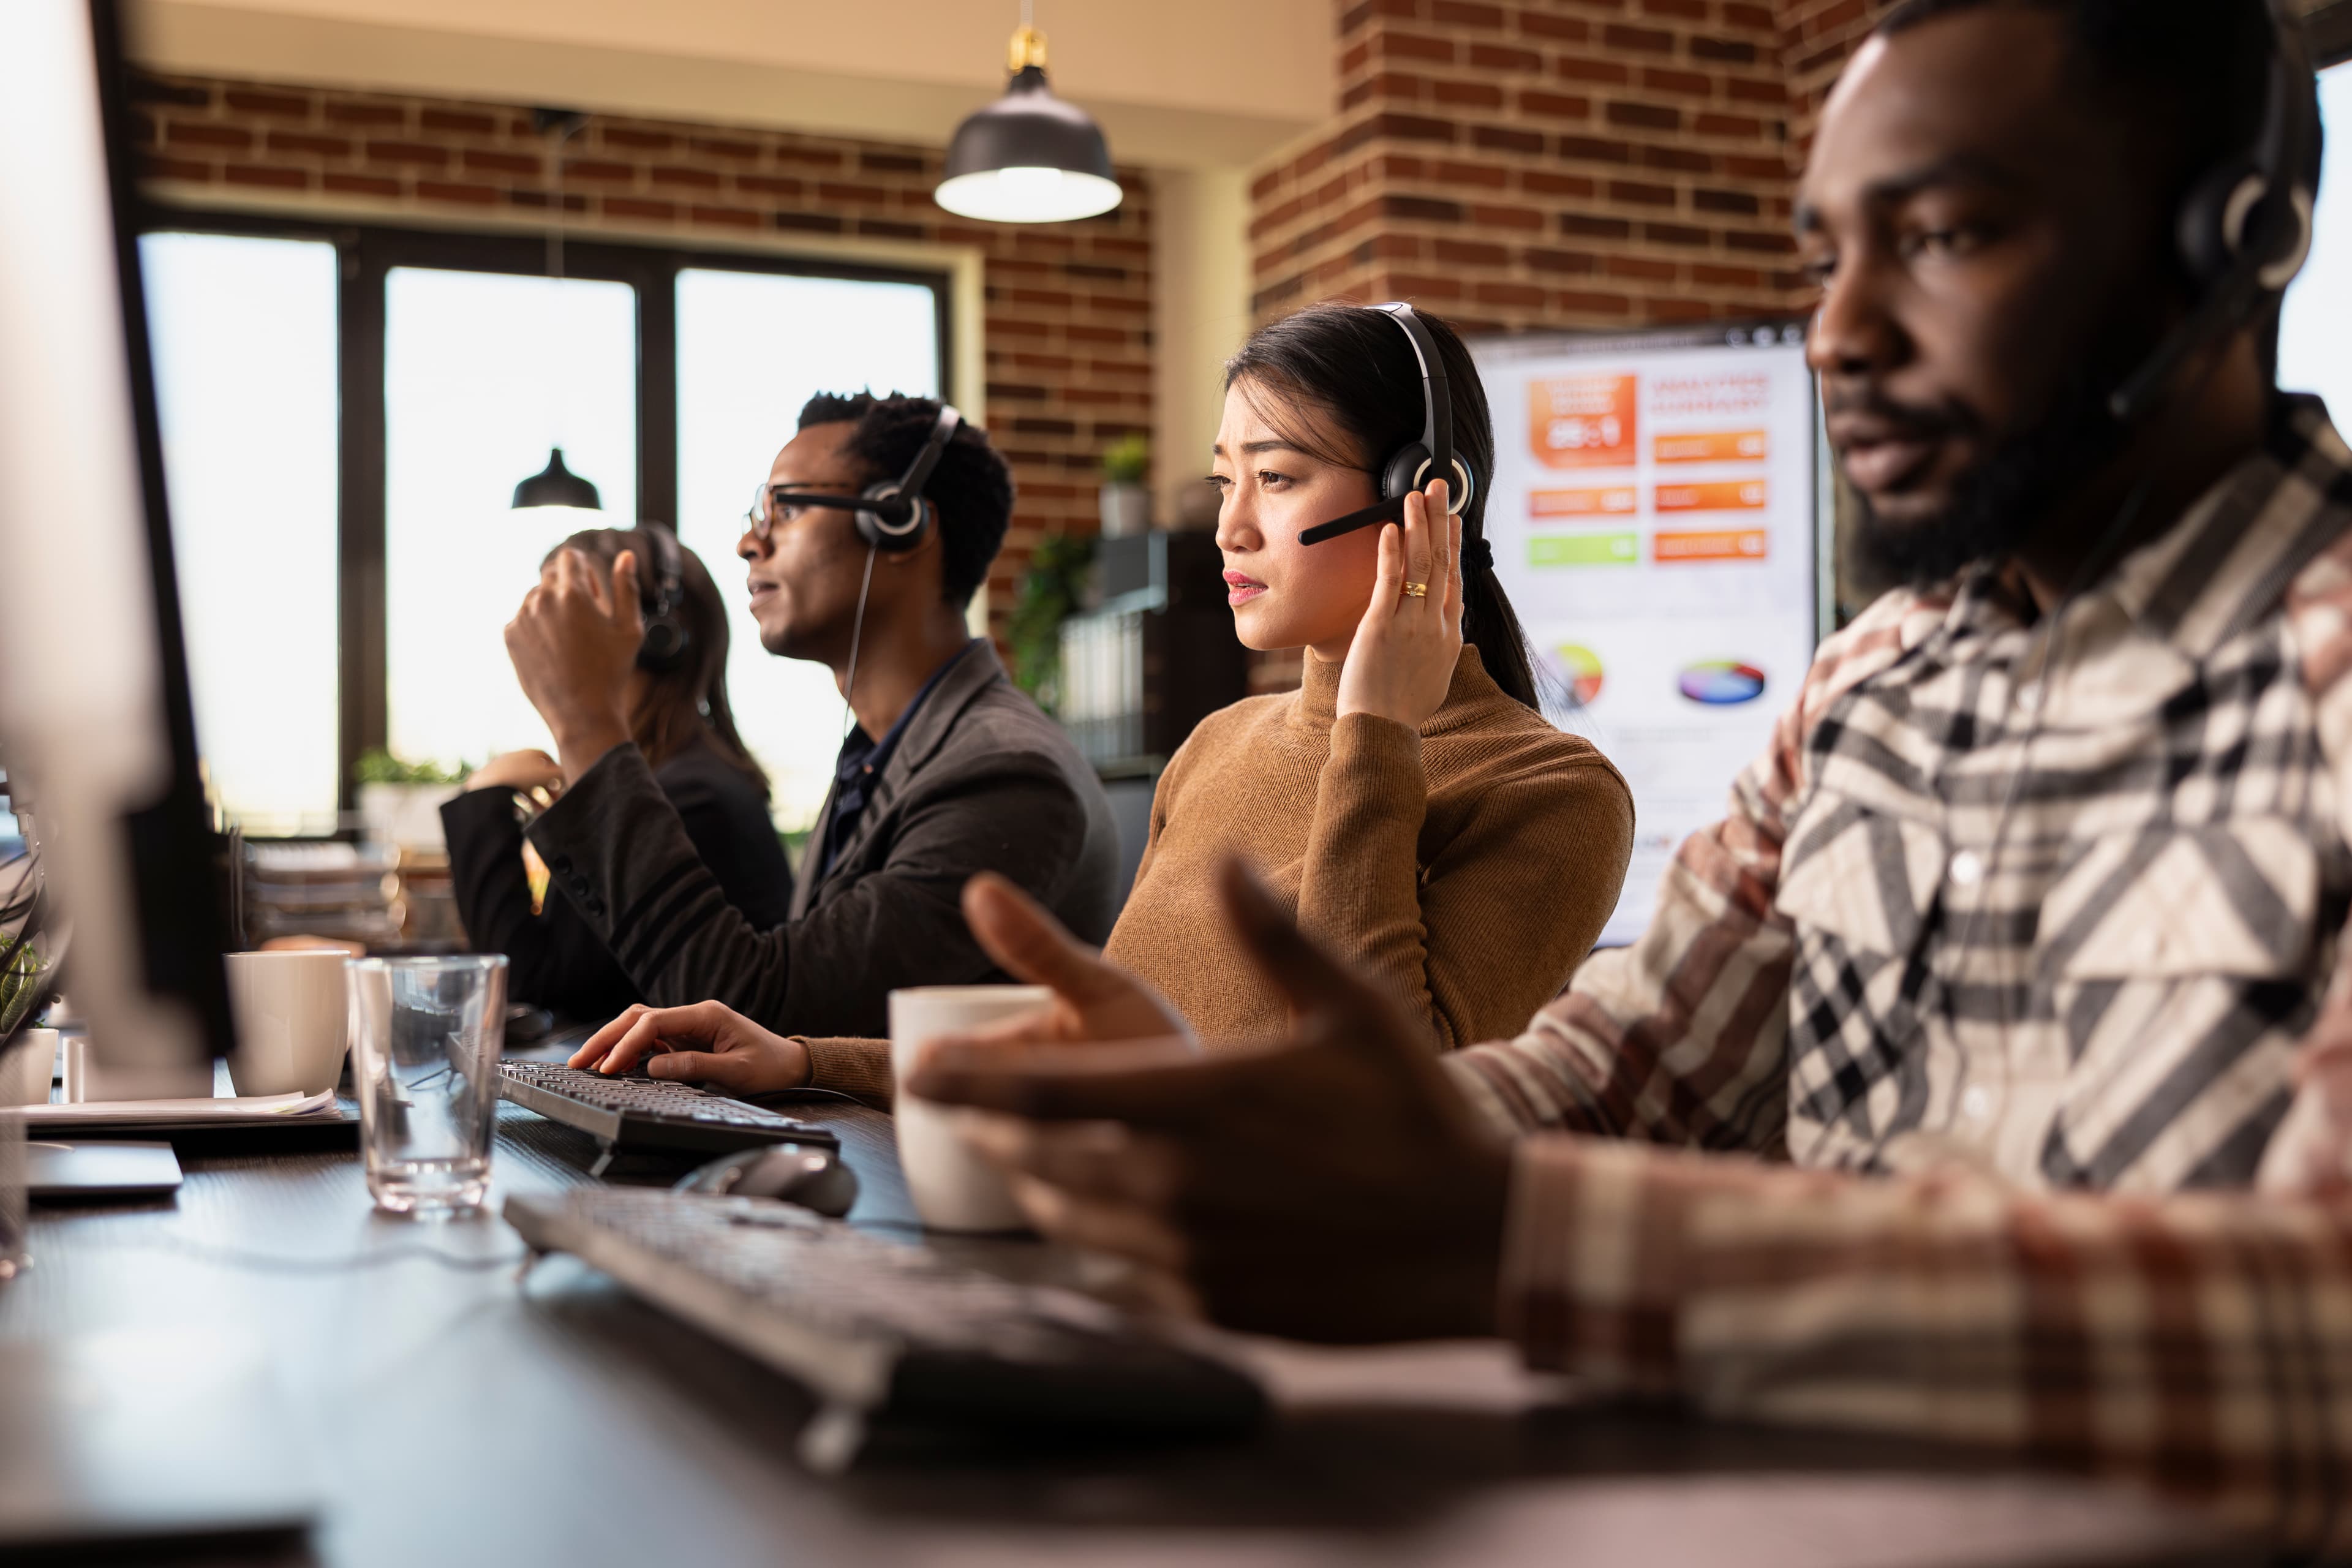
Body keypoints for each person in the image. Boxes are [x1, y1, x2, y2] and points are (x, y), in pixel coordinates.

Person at [902, 0, 2352, 1551]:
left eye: (1938, 235)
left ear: (2230, 242)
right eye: (1820, 261)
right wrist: (1271, 1131)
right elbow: (1627, 1071)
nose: (1837, 333)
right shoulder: (1869, 687)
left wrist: (1509, 1237)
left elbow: (2317, 1329)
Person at [571, 307, 1635, 1098]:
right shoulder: (1218, 745)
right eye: (1227, 483)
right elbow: (1105, 1045)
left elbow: (1370, 1094)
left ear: (1425, 494)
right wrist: (806, 1060)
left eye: (1277, 478)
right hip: (1121, 1251)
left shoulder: (1553, 794)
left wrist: (1377, 737)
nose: (1231, 529)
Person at [507, 392, 1120, 1041]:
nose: (749, 542)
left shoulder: (1003, 771)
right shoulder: (881, 753)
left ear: (901, 522)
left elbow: (764, 1010)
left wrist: (585, 724)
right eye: (757, 512)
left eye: (788, 508)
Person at [443, 526, 792, 1021]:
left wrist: (485, 796)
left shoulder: (691, 797)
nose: (542, 638)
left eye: (565, 616)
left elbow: (535, 987)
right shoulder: (673, 776)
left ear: (656, 636)